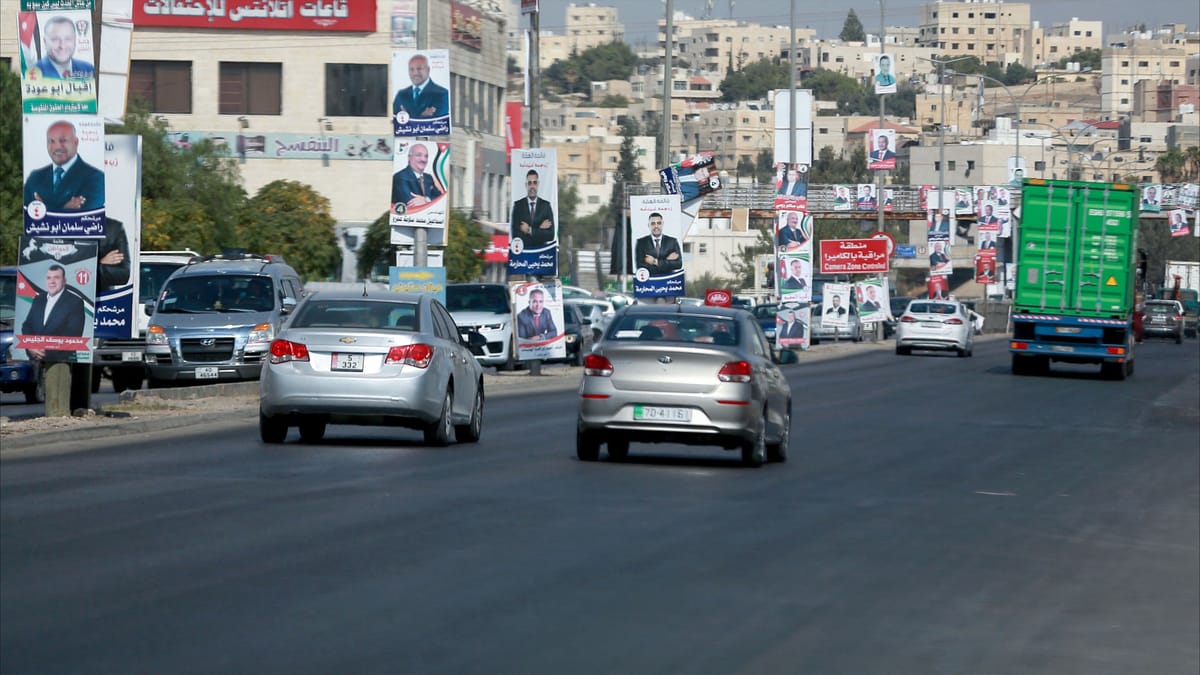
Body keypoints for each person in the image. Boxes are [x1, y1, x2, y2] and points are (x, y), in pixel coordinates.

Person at [24, 120, 105, 211]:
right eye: (51, 141)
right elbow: (26, 213)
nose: (57, 147)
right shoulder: (35, 177)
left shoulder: (96, 178)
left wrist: (43, 209)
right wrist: (65, 208)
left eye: (63, 140)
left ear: (76, 142)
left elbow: (87, 213)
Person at [21, 264, 86, 360]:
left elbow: (73, 335)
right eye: (49, 278)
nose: (52, 281)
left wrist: (44, 350)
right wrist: (30, 346)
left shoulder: (75, 302)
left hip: (60, 361)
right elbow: (27, 325)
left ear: (64, 281)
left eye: (56, 277)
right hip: (34, 358)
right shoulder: (39, 299)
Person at [31, 16, 95, 80]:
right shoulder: (33, 73)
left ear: (75, 40)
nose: (62, 46)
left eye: (68, 39)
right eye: (55, 39)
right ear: (45, 42)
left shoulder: (88, 69)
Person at [391, 53, 449, 119]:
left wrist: (407, 117)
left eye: (419, 69)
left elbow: (439, 120)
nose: (415, 73)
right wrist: (422, 116)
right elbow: (394, 120)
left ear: (428, 70)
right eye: (411, 69)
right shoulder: (401, 95)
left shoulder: (442, 94)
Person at [510, 169, 556, 249]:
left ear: (538, 184)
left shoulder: (546, 206)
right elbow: (516, 235)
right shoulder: (518, 206)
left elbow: (551, 235)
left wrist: (529, 230)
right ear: (526, 185)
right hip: (524, 253)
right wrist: (540, 230)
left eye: (534, 183)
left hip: (542, 253)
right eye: (529, 183)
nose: (532, 186)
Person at [391, 143, 443, 211]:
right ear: (409, 157)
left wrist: (426, 200)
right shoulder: (400, 177)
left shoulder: (428, 178)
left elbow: (440, 198)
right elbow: (410, 202)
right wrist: (430, 200)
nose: (423, 159)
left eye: (426, 156)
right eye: (419, 155)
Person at [634, 212, 682, 276]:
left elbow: (678, 264)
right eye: (653, 223)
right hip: (650, 281)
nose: (656, 226)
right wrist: (666, 261)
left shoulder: (672, 242)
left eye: (659, 223)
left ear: (662, 224)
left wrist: (655, 261)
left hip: (669, 280)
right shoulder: (641, 243)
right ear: (649, 225)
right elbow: (640, 266)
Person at [97, 218, 131, 292]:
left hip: (102, 297)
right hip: (69, 298)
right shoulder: (68, 227)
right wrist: (100, 262)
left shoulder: (114, 227)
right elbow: (67, 270)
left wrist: (95, 268)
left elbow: (124, 275)